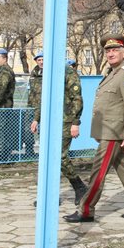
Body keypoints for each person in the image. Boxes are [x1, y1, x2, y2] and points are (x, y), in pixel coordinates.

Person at [63, 34, 124, 223]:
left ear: (123, 52)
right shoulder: (111, 73)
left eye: (115, 50)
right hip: (107, 130)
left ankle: (86, 210)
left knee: (98, 171)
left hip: (114, 132)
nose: (111, 53)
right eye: (108, 51)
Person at [30, 53, 87, 205]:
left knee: (60, 156)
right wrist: (37, 118)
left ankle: (79, 187)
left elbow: (77, 98)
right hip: (49, 121)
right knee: (48, 157)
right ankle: (49, 195)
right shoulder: (47, 74)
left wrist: (76, 122)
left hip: (66, 120)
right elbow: (43, 99)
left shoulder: (68, 72)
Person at [0, 48, 16, 161]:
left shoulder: (5, 72)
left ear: (5, 59)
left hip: (2, 108)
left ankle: (0, 158)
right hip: (2, 107)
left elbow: (0, 92)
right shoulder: (1, 71)